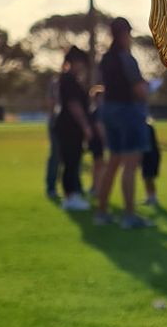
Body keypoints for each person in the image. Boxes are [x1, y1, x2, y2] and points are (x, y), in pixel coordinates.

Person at [94, 18, 153, 227]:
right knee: (130, 165)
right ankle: (129, 215)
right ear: (124, 34)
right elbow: (139, 90)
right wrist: (148, 89)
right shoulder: (126, 59)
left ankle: (101, 212)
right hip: (128, 112)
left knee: (113, 163)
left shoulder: (106, 59)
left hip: (109, 111)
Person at [55, 46, 97, 211]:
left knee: (74, 160)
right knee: (70, 161)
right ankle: (70, 197)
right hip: (69, 127)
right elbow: (74, 105)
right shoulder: (68, 80)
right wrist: (85, 126)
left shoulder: (72, 79)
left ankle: (72, 193)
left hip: (72, 128)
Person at [44, 69, 62, 202]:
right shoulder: (56, 83)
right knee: (55, 156)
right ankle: (51, 187)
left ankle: (73, 188)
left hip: (68, 126)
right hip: (56, 124)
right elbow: (51, 103)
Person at [141, 117, 161, 209]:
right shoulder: (145, 127)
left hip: (151, 155)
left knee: (149, 177)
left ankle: (153, 197)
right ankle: (149, 197)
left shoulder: (147, 127)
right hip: (146, 154)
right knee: (146, 177)